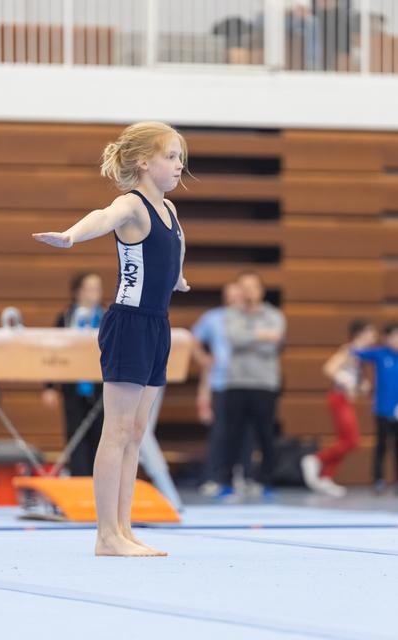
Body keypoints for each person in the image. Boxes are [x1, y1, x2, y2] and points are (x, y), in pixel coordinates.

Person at [33, 121, 190, 557]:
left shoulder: (170, 211)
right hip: (129, 323)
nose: (180, 165)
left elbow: (176, 244)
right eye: (171, 157)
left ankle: (124, 528)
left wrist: (176, 276)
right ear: (144, 162)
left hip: (158, 323)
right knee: (118, 428)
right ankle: (105, 535)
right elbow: (103, 218)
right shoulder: (132, 204)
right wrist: (70, 235)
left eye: (181, 157)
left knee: (136, 431)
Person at [218, 271, 286, 500]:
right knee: (232, 435)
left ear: (260, 290)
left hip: (264, 383)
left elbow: (272, 346)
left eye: (252, 287)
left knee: (265, 433)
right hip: (236, 382)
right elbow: (233, 339)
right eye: (243, 287)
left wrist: (251, 336)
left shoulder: (274, 315)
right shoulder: (229, 314)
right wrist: (261, 335)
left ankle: (265, 481)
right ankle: (227, 482)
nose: (248, 291)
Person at [192, 282, 257, 498]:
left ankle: (243, 477)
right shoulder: (214, 318)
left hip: (247, 381)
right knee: (220, 432)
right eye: (230, 295)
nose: (233, 299)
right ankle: (213, 477)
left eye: (237, 295)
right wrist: (204, 359)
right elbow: (193, 339)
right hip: (222, 382)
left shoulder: (251, 318)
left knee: (247, 432)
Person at [301, 320, 377, 498]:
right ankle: (316, 459)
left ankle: (326, 476)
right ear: (361, 334)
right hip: (338, 398)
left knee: (347, 440)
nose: (373, 338)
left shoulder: (360, 357)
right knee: (351, 440)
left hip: (346, 399)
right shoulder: (348, 350)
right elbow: (329, 368)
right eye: (371, 334)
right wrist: (345, 379)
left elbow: (353, 379)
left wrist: (359, 385)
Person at [42, 272, 105, 477]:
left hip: (102, 387)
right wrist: (50, 387)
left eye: (97, 288)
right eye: (89, 288)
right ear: (77, 292)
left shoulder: (106, 316)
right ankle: (79, 479)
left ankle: (99, 481)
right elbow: (54, 352)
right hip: (74, 386)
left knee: (100, 435)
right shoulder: (66, 317)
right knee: (75, 435)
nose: (94, 293)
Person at [352, 323, 398, 494]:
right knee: (381, 446)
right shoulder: (381, 353)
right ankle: (378, 479)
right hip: (382, 409)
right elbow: (355, 352)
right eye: (394, 336)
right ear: (387, 338)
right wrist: (362, 340)